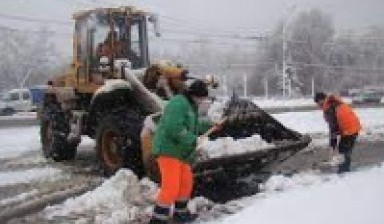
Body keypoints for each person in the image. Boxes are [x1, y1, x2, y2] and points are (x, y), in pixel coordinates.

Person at [149, 79, 221, 224]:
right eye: (200, 98)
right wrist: (192, 139)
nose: (202, 101)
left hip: (182, 153)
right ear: (194, 95)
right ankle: (158, 219)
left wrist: (210, 125)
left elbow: (193, 125)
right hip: (168, 150)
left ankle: (180, 213)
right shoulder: (178, 103)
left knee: (186, 183)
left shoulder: (190, 106)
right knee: (171, 186)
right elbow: (173, 127)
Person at [314, 92, 361, 173]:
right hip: (351, 128)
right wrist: (333, 143)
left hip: (349, 130)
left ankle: (344, 171)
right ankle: (344, 168)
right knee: (345, 149)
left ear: (321, 100)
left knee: (344, 150)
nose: (318, 105)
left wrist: (332, 145)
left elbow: (333, 128)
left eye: (318, 103)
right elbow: (335, 125)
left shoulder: (329, 107)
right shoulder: (333, 103)